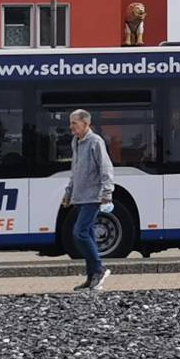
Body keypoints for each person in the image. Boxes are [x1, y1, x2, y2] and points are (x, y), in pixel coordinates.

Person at [62, 108, 115, 291]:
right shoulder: (76, 142)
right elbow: (74, 170)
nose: (71, 127)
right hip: (79, 196)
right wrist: (68, 193)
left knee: (80, 233)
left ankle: (99, 269)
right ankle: (92, 277)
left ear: (86, 124)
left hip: (93, 196)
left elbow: (106, 168)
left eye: (74, 123)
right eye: (71, 123)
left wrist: (107, 194)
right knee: (89, 234)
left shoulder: (95, 142)